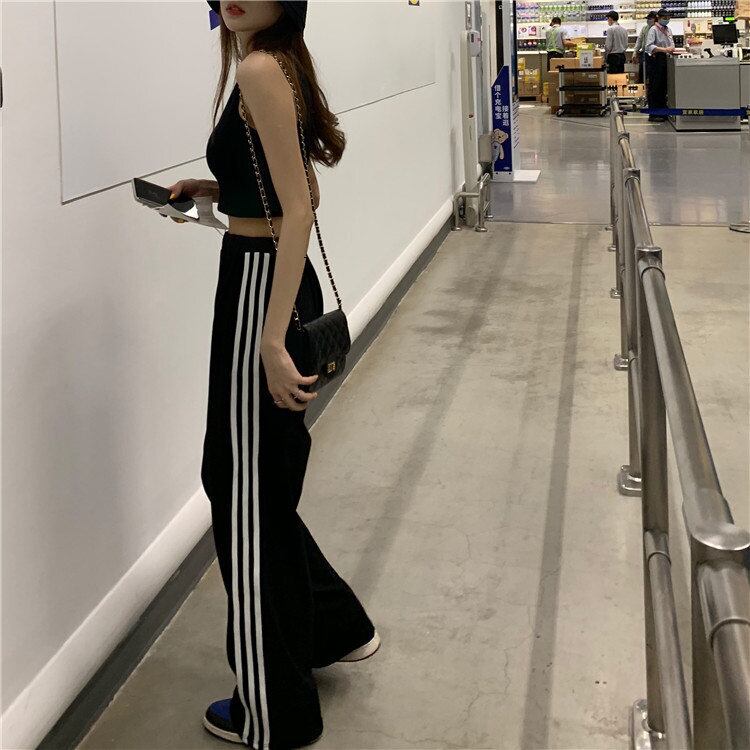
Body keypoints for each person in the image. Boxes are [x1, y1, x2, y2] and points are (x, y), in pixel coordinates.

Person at [168, 2, 379, 747]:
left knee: (242, 490)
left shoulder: (259, 67)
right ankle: (334, 625)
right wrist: (213, 190)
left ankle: (274, 710)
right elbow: (293, 192)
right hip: (258, 273)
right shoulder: (274, 61)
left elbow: (297, 211)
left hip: (261, 284)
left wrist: (269, 336)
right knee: (255, 482)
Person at [645, 7, 676, 121]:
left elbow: (671, 43)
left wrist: (671, 49)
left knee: (663, 87)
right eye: (664, 17)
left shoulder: (668, 29)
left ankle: (662, 112)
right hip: (656, 59)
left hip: (666, 59)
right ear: (658, 18)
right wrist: (664, 49)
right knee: (655, 86)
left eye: (668, 17)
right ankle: (653, 114)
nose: (667, 19)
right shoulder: (653, 29)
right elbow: (649, 46)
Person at [633, 11, 658, 84]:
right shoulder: (645, 28)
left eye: (650, 19)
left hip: (655, 54)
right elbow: (639, 40)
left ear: (655, 19)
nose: (648, 20)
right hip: (645, 53)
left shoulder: (658, 29)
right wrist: (635, 52)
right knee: (642, 73)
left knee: (653, 74)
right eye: (647, 19)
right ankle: (642, 87)